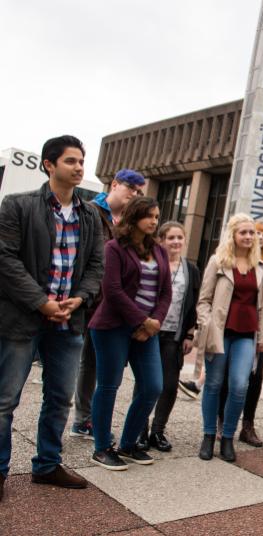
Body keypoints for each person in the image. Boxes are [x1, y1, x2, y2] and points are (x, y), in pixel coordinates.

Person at [0, 135, 104, 500]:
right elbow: (6, 260)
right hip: (22, 320)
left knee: (59, 399)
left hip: (68, 322)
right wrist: (41, 301)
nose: (79, 167)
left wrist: (79, 298)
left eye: (81, 161)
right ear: (49, 164)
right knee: (5, 400)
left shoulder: (90, 213)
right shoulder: (18, 205)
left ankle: (47, 464)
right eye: (71, 161)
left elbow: (95, 265)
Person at [88, 197, 172, 470]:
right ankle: (101, 448)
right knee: (109, 386)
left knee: (152, 386)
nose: (154, 221)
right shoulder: (114, 248)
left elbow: (166, 292)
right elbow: (111, 290)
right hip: (112, 326)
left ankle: (127, 444)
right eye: (149, 215)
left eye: (157, 216)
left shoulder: (159, 251)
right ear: (134, 216)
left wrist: (154, 322)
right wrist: (142, 321)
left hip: (147, 330)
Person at [71, 168, 144, 439]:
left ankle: (84, 419)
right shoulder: (90, 211)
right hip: (83, 298)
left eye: (138, 192)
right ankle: (76, 417)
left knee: (93, 361)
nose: (133, 195)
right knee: (71, 359)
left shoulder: (128, 223)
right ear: (114, 185)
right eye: (130, 189)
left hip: (109, 304)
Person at [195, 214, 263, 462]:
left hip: (247, 335)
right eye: (244, 233)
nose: (249, 237)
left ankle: (228, 436)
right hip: (219, 332)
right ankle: (208, 436)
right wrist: (207, 325)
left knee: (240, 386)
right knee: (214, 384)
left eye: (251, 233)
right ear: (233, 235)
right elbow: (204, 300)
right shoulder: (218, 262)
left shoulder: (260, 267)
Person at [137, 222, 200, 452]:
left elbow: (193, 304)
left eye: (180, 238)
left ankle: (158, 431)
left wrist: (190, 333)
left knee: (170, 385)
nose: (176, 242)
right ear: (161, 240)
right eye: (171, 238)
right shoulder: (151, 263)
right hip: (150, 331)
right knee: (146, 383)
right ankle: (139, 430)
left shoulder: (190, 269)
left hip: (174, 334)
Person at [215, 220, 263, 447]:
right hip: (228, 325)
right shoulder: (225, 260)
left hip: (254, 328)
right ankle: (219, 422)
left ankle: (247, 425)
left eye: (261, 234)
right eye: (252, 233)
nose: (257, 237)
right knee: (222, 380)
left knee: (252, 380)